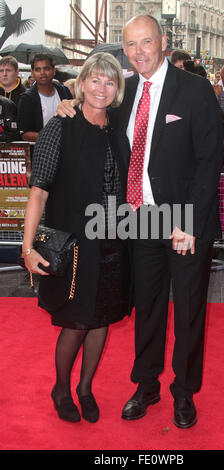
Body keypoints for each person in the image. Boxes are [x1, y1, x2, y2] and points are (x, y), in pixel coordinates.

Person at [56, 14, 223, 429]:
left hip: (183, 220)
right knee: (147, 308)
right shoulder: (125, 93)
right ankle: (146, 385)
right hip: (140, 220)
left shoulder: (195, 90)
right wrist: (70, 103)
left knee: (186, 312)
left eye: (145, 42)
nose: (138, 52)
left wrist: (191, 224)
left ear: (162, 41)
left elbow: (208, 163)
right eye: (130, 45)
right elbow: (96, 114)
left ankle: (183, 392)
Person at [21, 52, 131, 423]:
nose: (102, 87)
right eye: (95, 80)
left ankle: (85, 387)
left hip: (114, 238)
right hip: (74, 242)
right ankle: (62, 387)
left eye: (110, 81)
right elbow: (39, 190)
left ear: (117, 89)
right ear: (81, 83)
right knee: (76, 321)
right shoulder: (60, 124)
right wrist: (27, 246)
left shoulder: (118, 124)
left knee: (102, 318)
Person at [17, 54, 72, 142]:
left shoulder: (64, 92)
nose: (42, 73)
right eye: (38, 69)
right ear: (32, 73)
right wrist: (51, 137)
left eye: (46, 68)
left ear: (54, 70)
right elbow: (24, 134)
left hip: (66, 150)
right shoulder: (27, 99)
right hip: (40, 151)